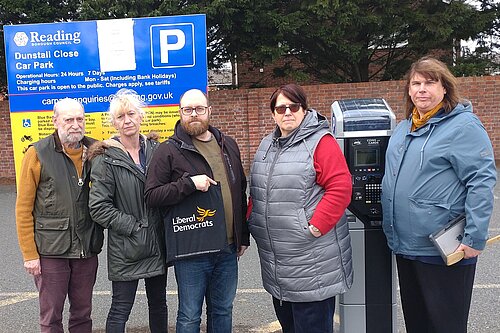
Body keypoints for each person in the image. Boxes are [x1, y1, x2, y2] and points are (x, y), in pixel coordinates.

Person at [381, 56, 497, 333]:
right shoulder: (404, 128)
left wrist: (474, 237)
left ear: (445, 88)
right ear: (408, 90)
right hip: (406, 246)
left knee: (445, 325)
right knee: (418, 324)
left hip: (444, 248)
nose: (422, 89)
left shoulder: (463, 126)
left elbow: (481, 182)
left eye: (430, 83)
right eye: (416, 83)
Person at [248, 83, 353, 333]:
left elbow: (340, 186)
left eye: (293, 106)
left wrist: (316, 226)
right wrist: (252, 218)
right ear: (273, 113)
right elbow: (258, 189)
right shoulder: (267, 145)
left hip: (311, 262)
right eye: (280, 108)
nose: (287, 112)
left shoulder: (320, 143)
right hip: (278, 265)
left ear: (304, 110)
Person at [145, 88, 249, 333]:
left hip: (227, 247)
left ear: (209, 111)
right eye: (188, 110)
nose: (194, 115)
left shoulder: (228, 144)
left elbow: (239, 191)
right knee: (190, 315)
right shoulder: (168, 150)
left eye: (199, 109)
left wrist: (242, 235)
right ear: (180, 113)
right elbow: (151, 195)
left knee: (223, 310)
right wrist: (188, 184)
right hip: (192, 248)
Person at [15, 98, 103, 333]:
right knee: (51, 315)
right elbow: (23, 208)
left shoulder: (96, 151)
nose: (75, 124)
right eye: (69, 119)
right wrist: (29, 254)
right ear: (55, 121)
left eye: (80, 119)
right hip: (50, 250)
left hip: (86, 247)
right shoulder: (37, 153)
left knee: (83, 314)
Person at [88, 89, 167, 332]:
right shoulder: (105, 158)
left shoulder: (156, 150)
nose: (127, 120)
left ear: (141, 116)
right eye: (120, 117)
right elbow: (98, 207)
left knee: (159, 304)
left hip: (156, 242)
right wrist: (133, 227)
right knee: (121, 307)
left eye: (131, 113)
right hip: (126, 246)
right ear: (114, 122)